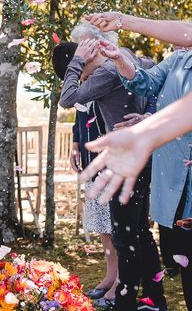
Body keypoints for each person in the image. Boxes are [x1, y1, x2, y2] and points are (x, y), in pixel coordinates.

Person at [58, 21, 165, 311]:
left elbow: (67, 99)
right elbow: (155, 73)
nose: (79, 64)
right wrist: (149, 113)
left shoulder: (105, 71)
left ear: (91, 47)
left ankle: (126, 302)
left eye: (81, 50)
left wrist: (77, 61)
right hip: (140, 154)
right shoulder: (127, 56)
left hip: (124, 158)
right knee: (139, 231)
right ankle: (155, 299)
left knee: (125, 235)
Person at [92, 35, 192, 307]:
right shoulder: (173, 62)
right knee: (175, 251)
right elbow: (146, 85)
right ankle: (152, 297)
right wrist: (148, 118)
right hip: (170, 169)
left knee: (131, 234)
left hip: (171, 166)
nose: (177, 45)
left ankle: (136, 296)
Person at [51, 41, 118, 303]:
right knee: (102, 225)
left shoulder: (103, 76)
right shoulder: (82, 83)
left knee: (116, 226)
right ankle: (110, 274)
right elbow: (80, 117)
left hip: (111, 161)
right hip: (92, 160)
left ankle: (123, 280)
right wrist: (75, 144)